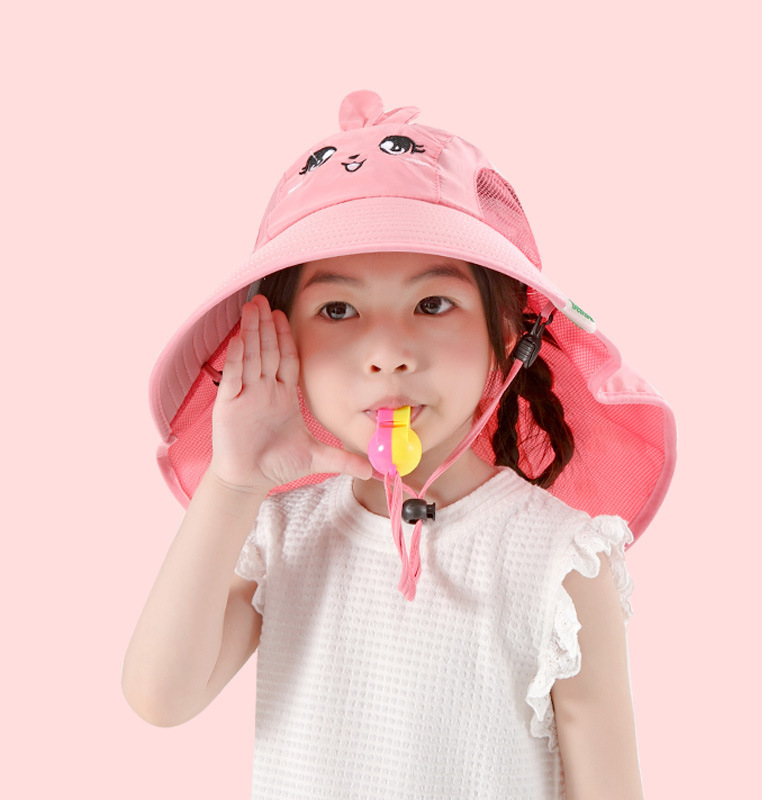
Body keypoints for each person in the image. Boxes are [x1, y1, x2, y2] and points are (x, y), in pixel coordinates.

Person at [122, 90, 676, 799]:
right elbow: (160, 697)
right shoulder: (282, 535)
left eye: (433, 304)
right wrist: (234, 484)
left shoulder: (558, 561)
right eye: (338, 309)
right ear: (284, 343)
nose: (387, 353)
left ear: (508, 335)